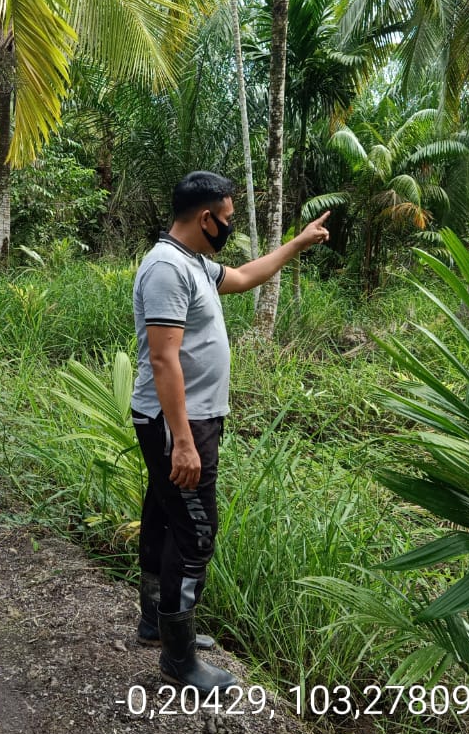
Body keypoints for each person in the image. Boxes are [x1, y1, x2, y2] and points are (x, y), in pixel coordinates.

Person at [131, 171, 329, 692]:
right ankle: (178, 658)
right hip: (179, 423)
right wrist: (185, 441)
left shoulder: (193, 261)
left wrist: (299, 243)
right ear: (205, 218)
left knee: (164, 515)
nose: (229, 227)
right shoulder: (167, 269)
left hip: (185, 420)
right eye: (228, 219)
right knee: (196, 534)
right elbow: (163, 357)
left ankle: (156, 621)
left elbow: (241, 277)